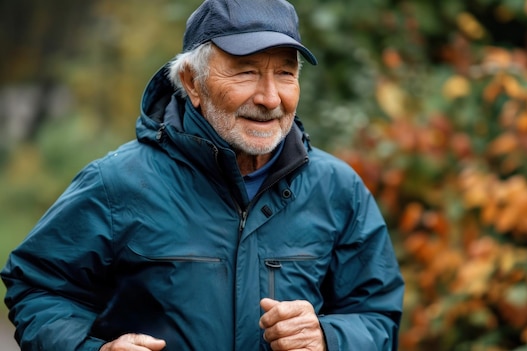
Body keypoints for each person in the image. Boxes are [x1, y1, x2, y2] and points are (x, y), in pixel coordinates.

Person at [1, 0, 405, 350]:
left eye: (285, 73)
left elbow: (376, 312)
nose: (269, 97)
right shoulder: (115, 184)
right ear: (193, 83)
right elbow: (38, 287)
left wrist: (328, 338)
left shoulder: (339, 189)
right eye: (246, 72)